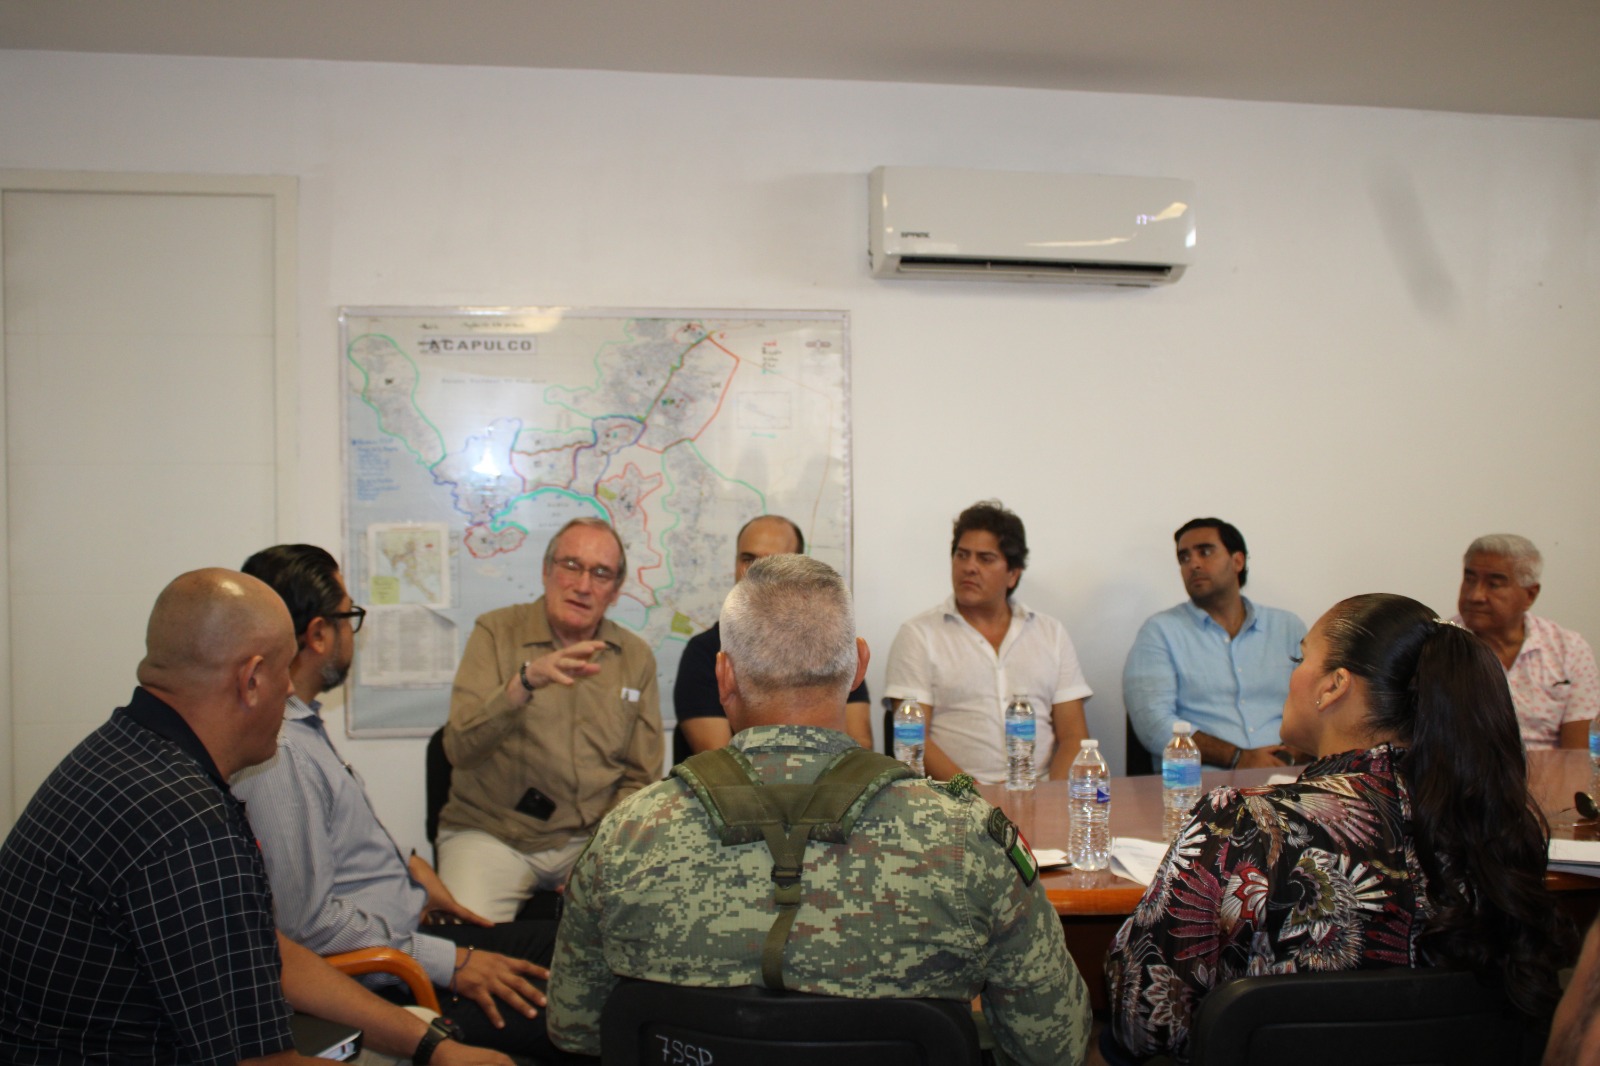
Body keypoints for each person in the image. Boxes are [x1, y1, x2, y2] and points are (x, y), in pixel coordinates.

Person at [547, 554, 1092, 1064]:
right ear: (858, 667)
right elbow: (1055, 1044)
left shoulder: (628, 834)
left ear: (723, 676)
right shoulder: (965, 838)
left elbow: (575, 1028)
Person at [0, 568, 512, 1065]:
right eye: (284, 672)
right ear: (250, 680)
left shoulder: (121, 751)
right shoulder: (191, 828)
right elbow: (260, 1060)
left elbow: (268, 951)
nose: (290, 692)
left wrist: (431, 1046)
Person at [1104, 593, 1568, 1064]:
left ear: (1333, 686)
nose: (1291, 675)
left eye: (1299, 659)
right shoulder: (1495, 823)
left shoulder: (1247, 823)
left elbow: (1143, 1021)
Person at [231, 544, 567, 1059]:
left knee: (577, 949)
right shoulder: (282, 755)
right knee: (581, 1007)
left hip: (408, 939)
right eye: (349, 617)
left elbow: (330, 841)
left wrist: (409, 868)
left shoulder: (301, 728)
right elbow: (306, 929)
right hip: (392, 979)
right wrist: (451, 963)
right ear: (319, 634)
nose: (353, 633)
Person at [438, 516, 663, 921]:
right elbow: (459, 749)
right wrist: (523, 683)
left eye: (601, 574)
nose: (583, 585)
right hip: (492, 834)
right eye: (571, 566)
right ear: (546, 571)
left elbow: (640, 777)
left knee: (648, 930)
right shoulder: (495, 632)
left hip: (590, 838)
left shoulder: (635, 657)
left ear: (615, 591)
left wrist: (600, 850)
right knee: (465, 939)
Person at [883, 500, 1092, 784]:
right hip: (953, 797)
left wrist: (1049, 798)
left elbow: (1073, 736)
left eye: (985, 558)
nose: (969, 567)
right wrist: (978, 797)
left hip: (1038, 792)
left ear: (1013, 574)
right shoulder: (918, 635)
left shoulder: (1050, 633)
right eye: (962, 555)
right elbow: (914, 739)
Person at [672, 514, 872, 762]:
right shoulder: (705, 652)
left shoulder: (829, 640)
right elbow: (720, 761)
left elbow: (860, 749)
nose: (754, 572)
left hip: (831, 786)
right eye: (748, 559)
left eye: (772, 562)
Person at [1123, 517, 1308, 768]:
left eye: (1205, 552)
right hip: (1200, 782)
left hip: (1288, 773)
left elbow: (1315, 705)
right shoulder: (1160, 631)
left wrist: (1292, 756)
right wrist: (1238, 758)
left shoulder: (1287, 627)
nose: (1194, 564)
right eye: (1184, 558)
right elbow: (1153, 724)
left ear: (1237, 561)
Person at [1452, 533, 1599, 750]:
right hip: (1465, 769)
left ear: (1530, 595)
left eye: (1494, 584)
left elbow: (1578, 754)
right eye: (1470, 580)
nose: (1475, 596)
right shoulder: (1438, 645)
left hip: (1552, 770)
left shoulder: (1569, 649)